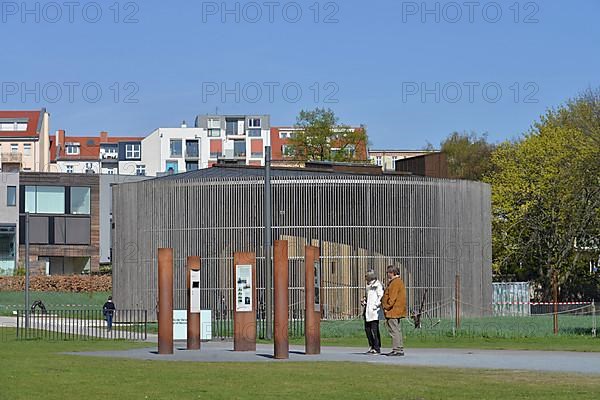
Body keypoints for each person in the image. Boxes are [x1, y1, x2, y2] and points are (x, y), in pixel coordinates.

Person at [381, 265, 407, 356]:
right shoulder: (398, 282)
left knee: (394, 330)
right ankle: (399, 348)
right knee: (397, 330)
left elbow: (392, 297)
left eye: (388, 272)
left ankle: (397, 349)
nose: (387, 274)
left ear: (392, 273)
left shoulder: (395, 283)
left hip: (393, 311)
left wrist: (386, 307)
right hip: (397, 310)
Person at [363, 269, 383, 354]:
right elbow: (367, 296)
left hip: (374, 312)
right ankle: (371, 346)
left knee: (374, 330)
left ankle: (377, 347)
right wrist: (364, 301)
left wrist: (375, 306)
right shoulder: (368, 286)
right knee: (367, 329)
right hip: (367, 310)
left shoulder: (377, 285)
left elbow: (381, 296)